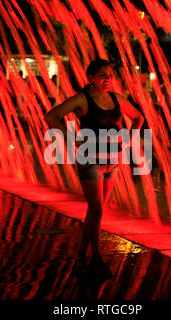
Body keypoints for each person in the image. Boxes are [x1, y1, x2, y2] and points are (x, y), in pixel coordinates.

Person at [44, 58, 144, 275]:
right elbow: (52, 116)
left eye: (110, 75)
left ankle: (82, 252)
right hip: (91, 162)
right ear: (91, 78)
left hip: (113, 163)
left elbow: (138, 117)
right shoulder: (83, 99)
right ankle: (97, 258)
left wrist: (129, 139)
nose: (108, 79)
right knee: (97, 209)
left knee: (95, 210)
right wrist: (72, 138)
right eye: (102, 75)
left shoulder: (116, 99)